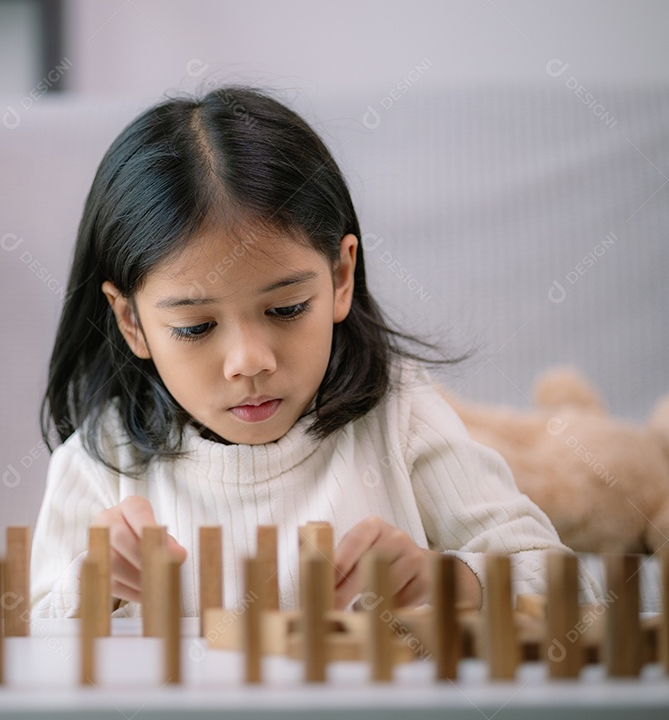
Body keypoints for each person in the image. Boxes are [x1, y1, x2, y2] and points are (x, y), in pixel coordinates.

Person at [30, 86, 600, 617]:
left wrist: (447, 582)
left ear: (341, 276)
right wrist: (90, 587)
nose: (250, 361)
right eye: (197, 326)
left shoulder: (399, 418)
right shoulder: (104, 459)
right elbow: (27, 638)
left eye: (285, 310)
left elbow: (568, 586)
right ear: (130, 320)